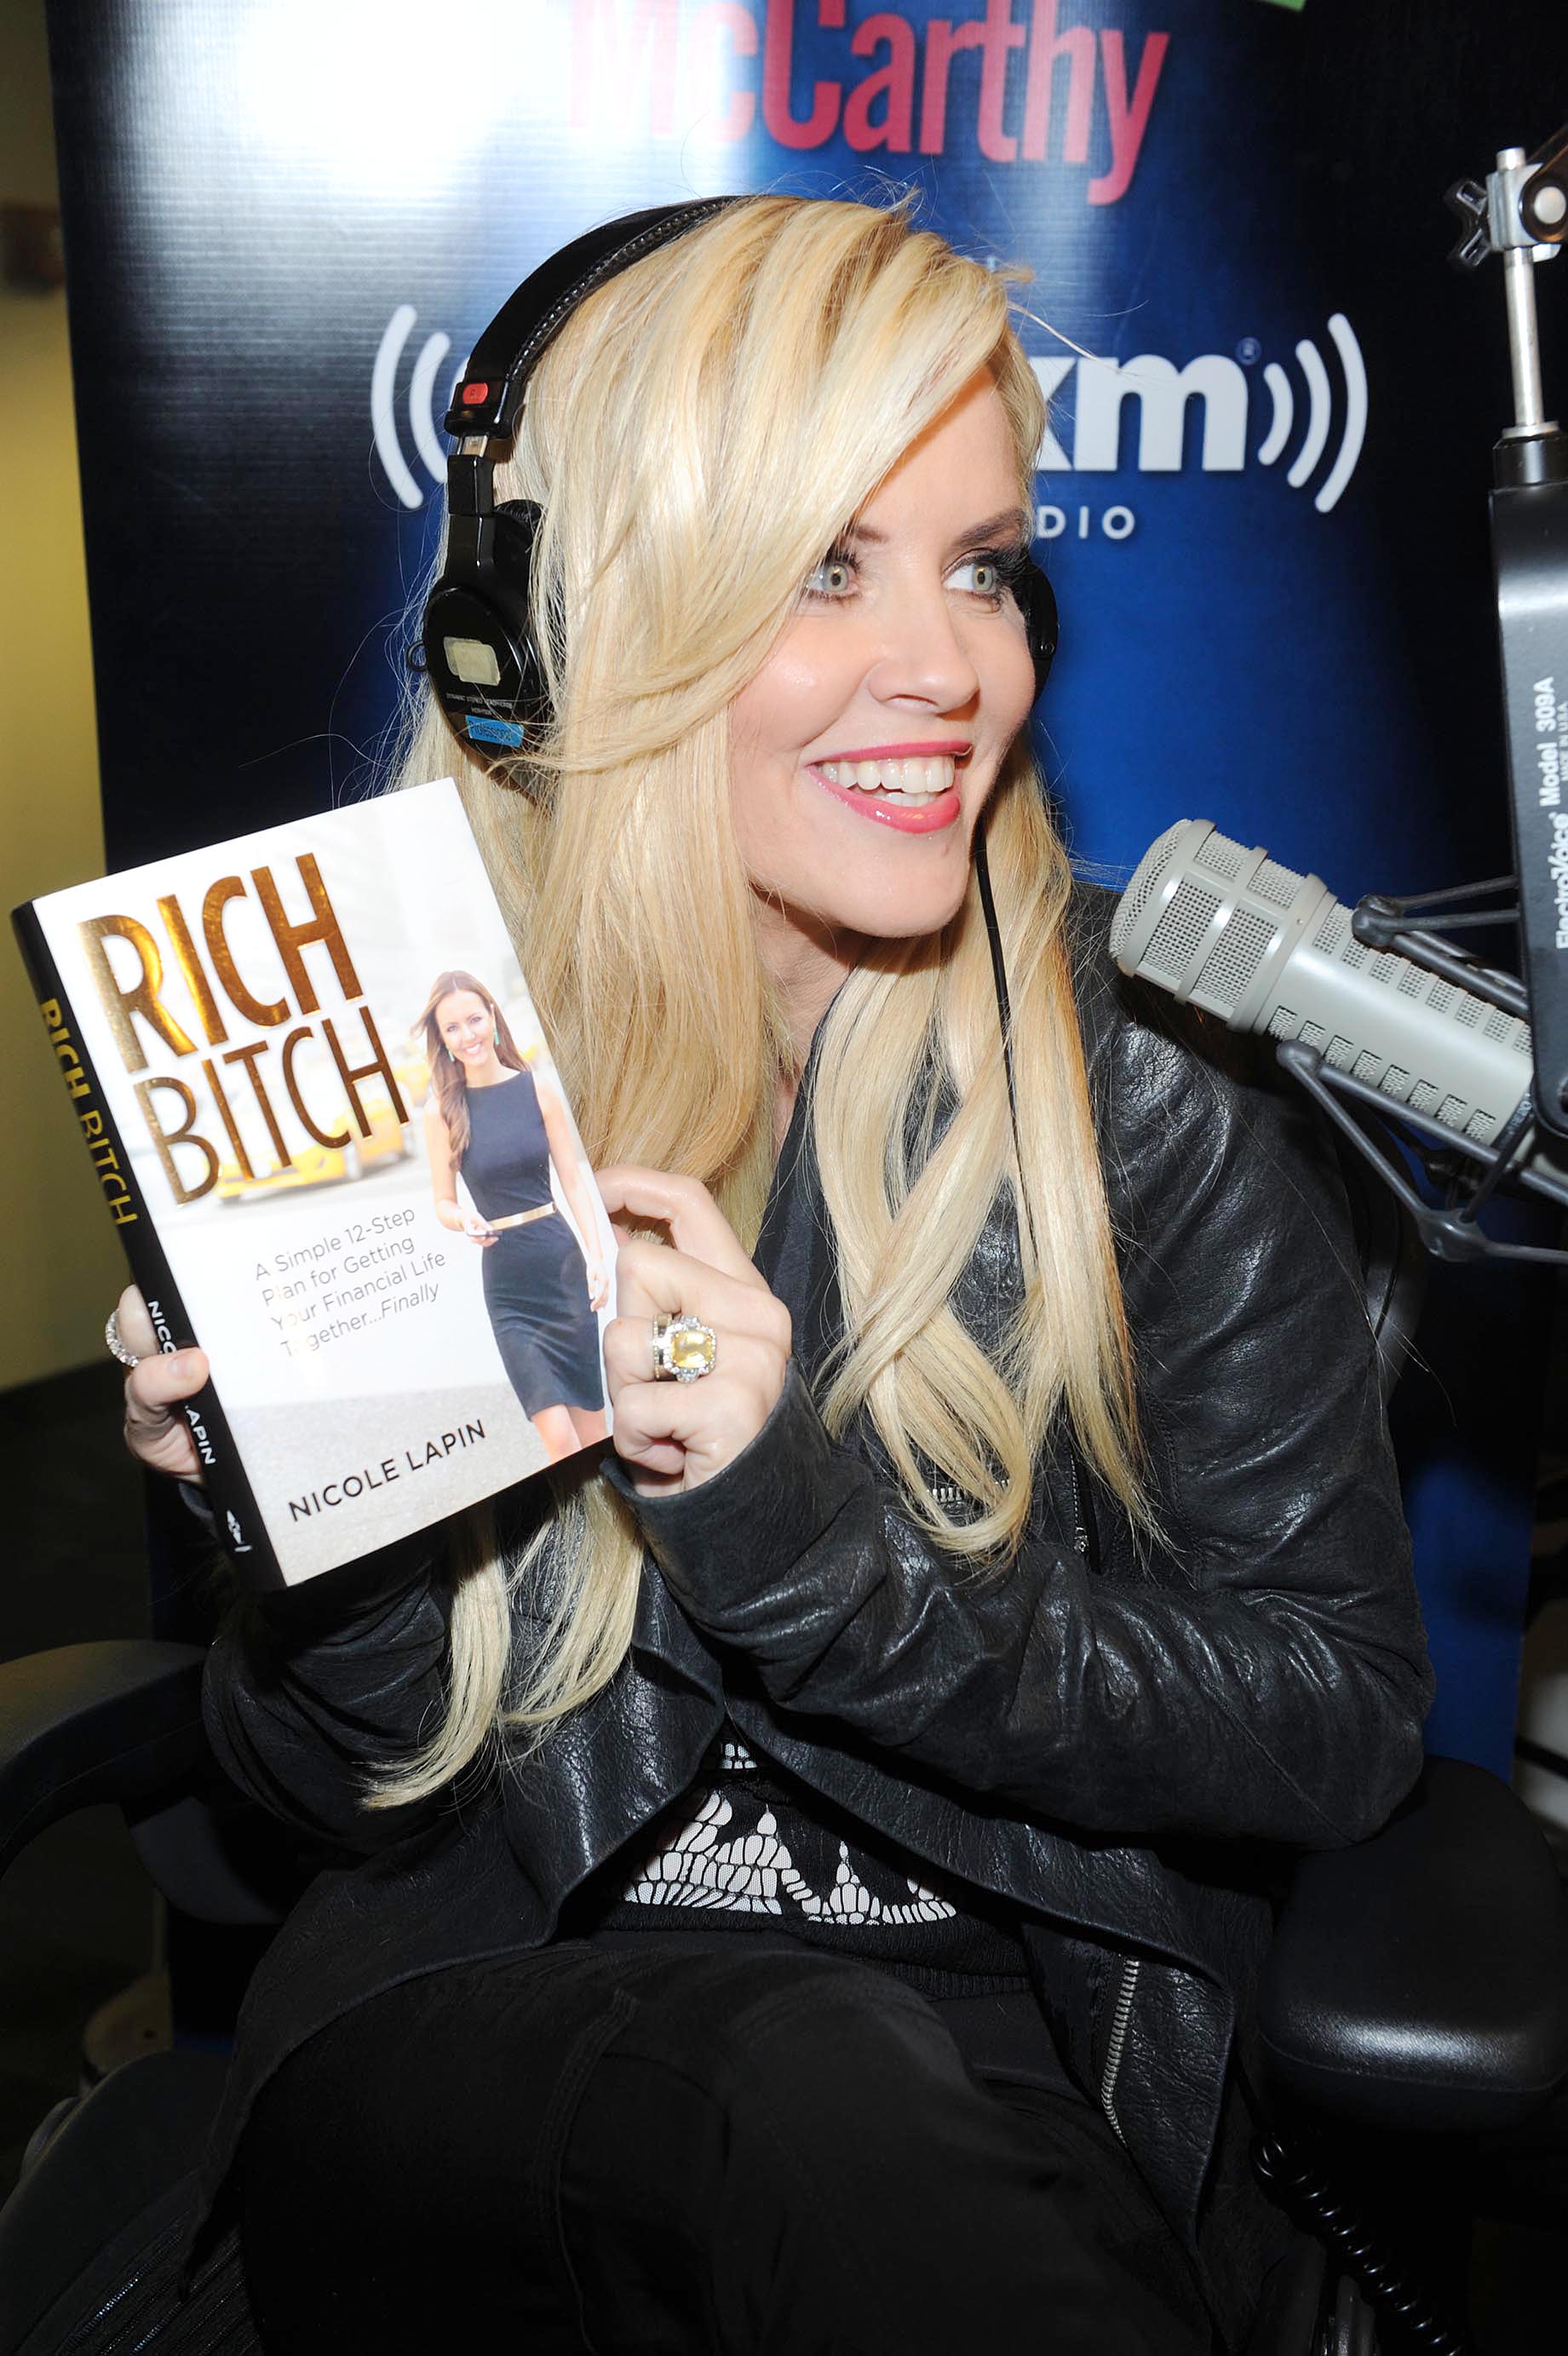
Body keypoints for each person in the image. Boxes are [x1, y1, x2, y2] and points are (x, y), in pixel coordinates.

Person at [113, 193, 1431, 2353]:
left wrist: (806, 1553)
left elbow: (1334, 1724)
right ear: (567, 627)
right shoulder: (393, 1062)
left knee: (856, 2116)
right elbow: (322, 1797)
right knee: (787, 2085)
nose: (951, 665)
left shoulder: (1142, 1076)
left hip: (1000, 2051)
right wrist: (313, 1517)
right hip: (484, 2036)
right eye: (828, 565)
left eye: (982, 565)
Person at [419, 968, 609, 1462]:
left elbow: (572, 1180)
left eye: (474, 1019)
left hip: (561, 1268)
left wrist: (596, 1257)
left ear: (493, 1017)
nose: (468, 1035)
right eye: (452, 1028)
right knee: (560, 1440)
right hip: (508, 1289)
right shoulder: (442, 1111)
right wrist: (463, 1219)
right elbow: (442, 1202)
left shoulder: (536, 1089)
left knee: (594, 1434)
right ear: (442, 1040)